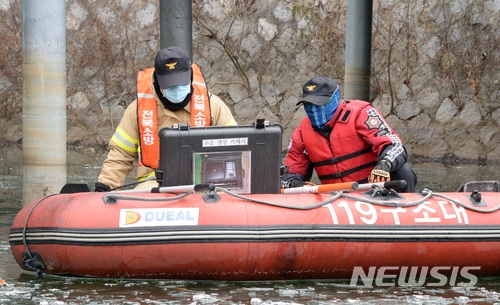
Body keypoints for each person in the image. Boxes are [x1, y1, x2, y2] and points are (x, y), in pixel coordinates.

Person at [95, 46, 237, 191]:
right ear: (157, 81)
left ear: (190, 77)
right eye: (170, 84)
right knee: (140, 196)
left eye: (180, 82)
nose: (176, 88)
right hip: (154, 183)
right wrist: (106, 186)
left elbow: (237, 147)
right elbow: (120, 154)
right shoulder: (137, 110)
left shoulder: (213, 106)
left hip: (205, 182)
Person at [282, 76, 417, 193]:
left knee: (403, 171)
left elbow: (394, 145)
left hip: (375, 190)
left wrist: (384, 165)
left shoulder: (360, 113)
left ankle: (407, 211)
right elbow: (291, 171)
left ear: (333, 100)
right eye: (308, 105)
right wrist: (294, 183)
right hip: (335, 198)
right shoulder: (301, 133)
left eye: (318, 104)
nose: (313, 110)